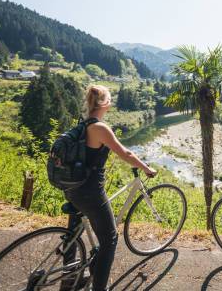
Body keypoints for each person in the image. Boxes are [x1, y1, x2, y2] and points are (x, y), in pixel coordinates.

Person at [61, 85, 157, 291]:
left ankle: (69, 279)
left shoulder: (83, 124)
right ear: (104, 104)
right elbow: (126, 154)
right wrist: (146, 168)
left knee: (73, 234)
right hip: (90, 191)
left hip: (73, 187)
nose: (111, 102)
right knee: (110, 239)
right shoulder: (100, 128)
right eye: (110, 99)